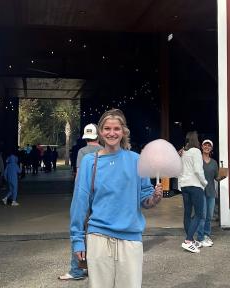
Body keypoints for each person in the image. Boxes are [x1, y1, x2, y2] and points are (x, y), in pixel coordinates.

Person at [70, 109, 163, 287]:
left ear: (123, 132)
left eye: (116, 129)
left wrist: (154, 198)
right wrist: (77, 240)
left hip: (131, 238)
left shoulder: (137, 160)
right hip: (98, 237)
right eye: (107, 128)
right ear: (100, 132)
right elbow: (79, 204)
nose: (111, 133)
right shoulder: (90, 161)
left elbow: (145, 199)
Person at [59, 124, 103, 281]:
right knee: (97, 232)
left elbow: (79, 175)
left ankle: (76, 270)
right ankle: (93, 267)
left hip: (85, 195)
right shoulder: (104, 151)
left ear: (86, 138)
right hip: (100, 197)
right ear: (98, 136)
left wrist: (77, 194)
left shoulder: (82, 152)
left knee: (78, 230)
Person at [178, 131, 207, 253]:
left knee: (187, 213)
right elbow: (198, 170)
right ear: (196, 140)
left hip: (184, 186)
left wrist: (180, 185)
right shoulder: (196, 151)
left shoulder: (183, 153)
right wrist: (204, 182)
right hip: (195, 185)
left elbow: (179, 170)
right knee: (199, 214)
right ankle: (188, 241)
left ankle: (190, 239)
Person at [196, 139, 224, 247]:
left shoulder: (214, 163)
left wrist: (222, 177)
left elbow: (216, 177)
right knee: (202, 215)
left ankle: (206, 235)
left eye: (209, 146)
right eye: (205, 145)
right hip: (200, 191)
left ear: (211, 148)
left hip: (211, 191)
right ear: (202, 147)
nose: (207, 147)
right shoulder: (198, 161)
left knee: (209, 216)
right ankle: (200, 237)